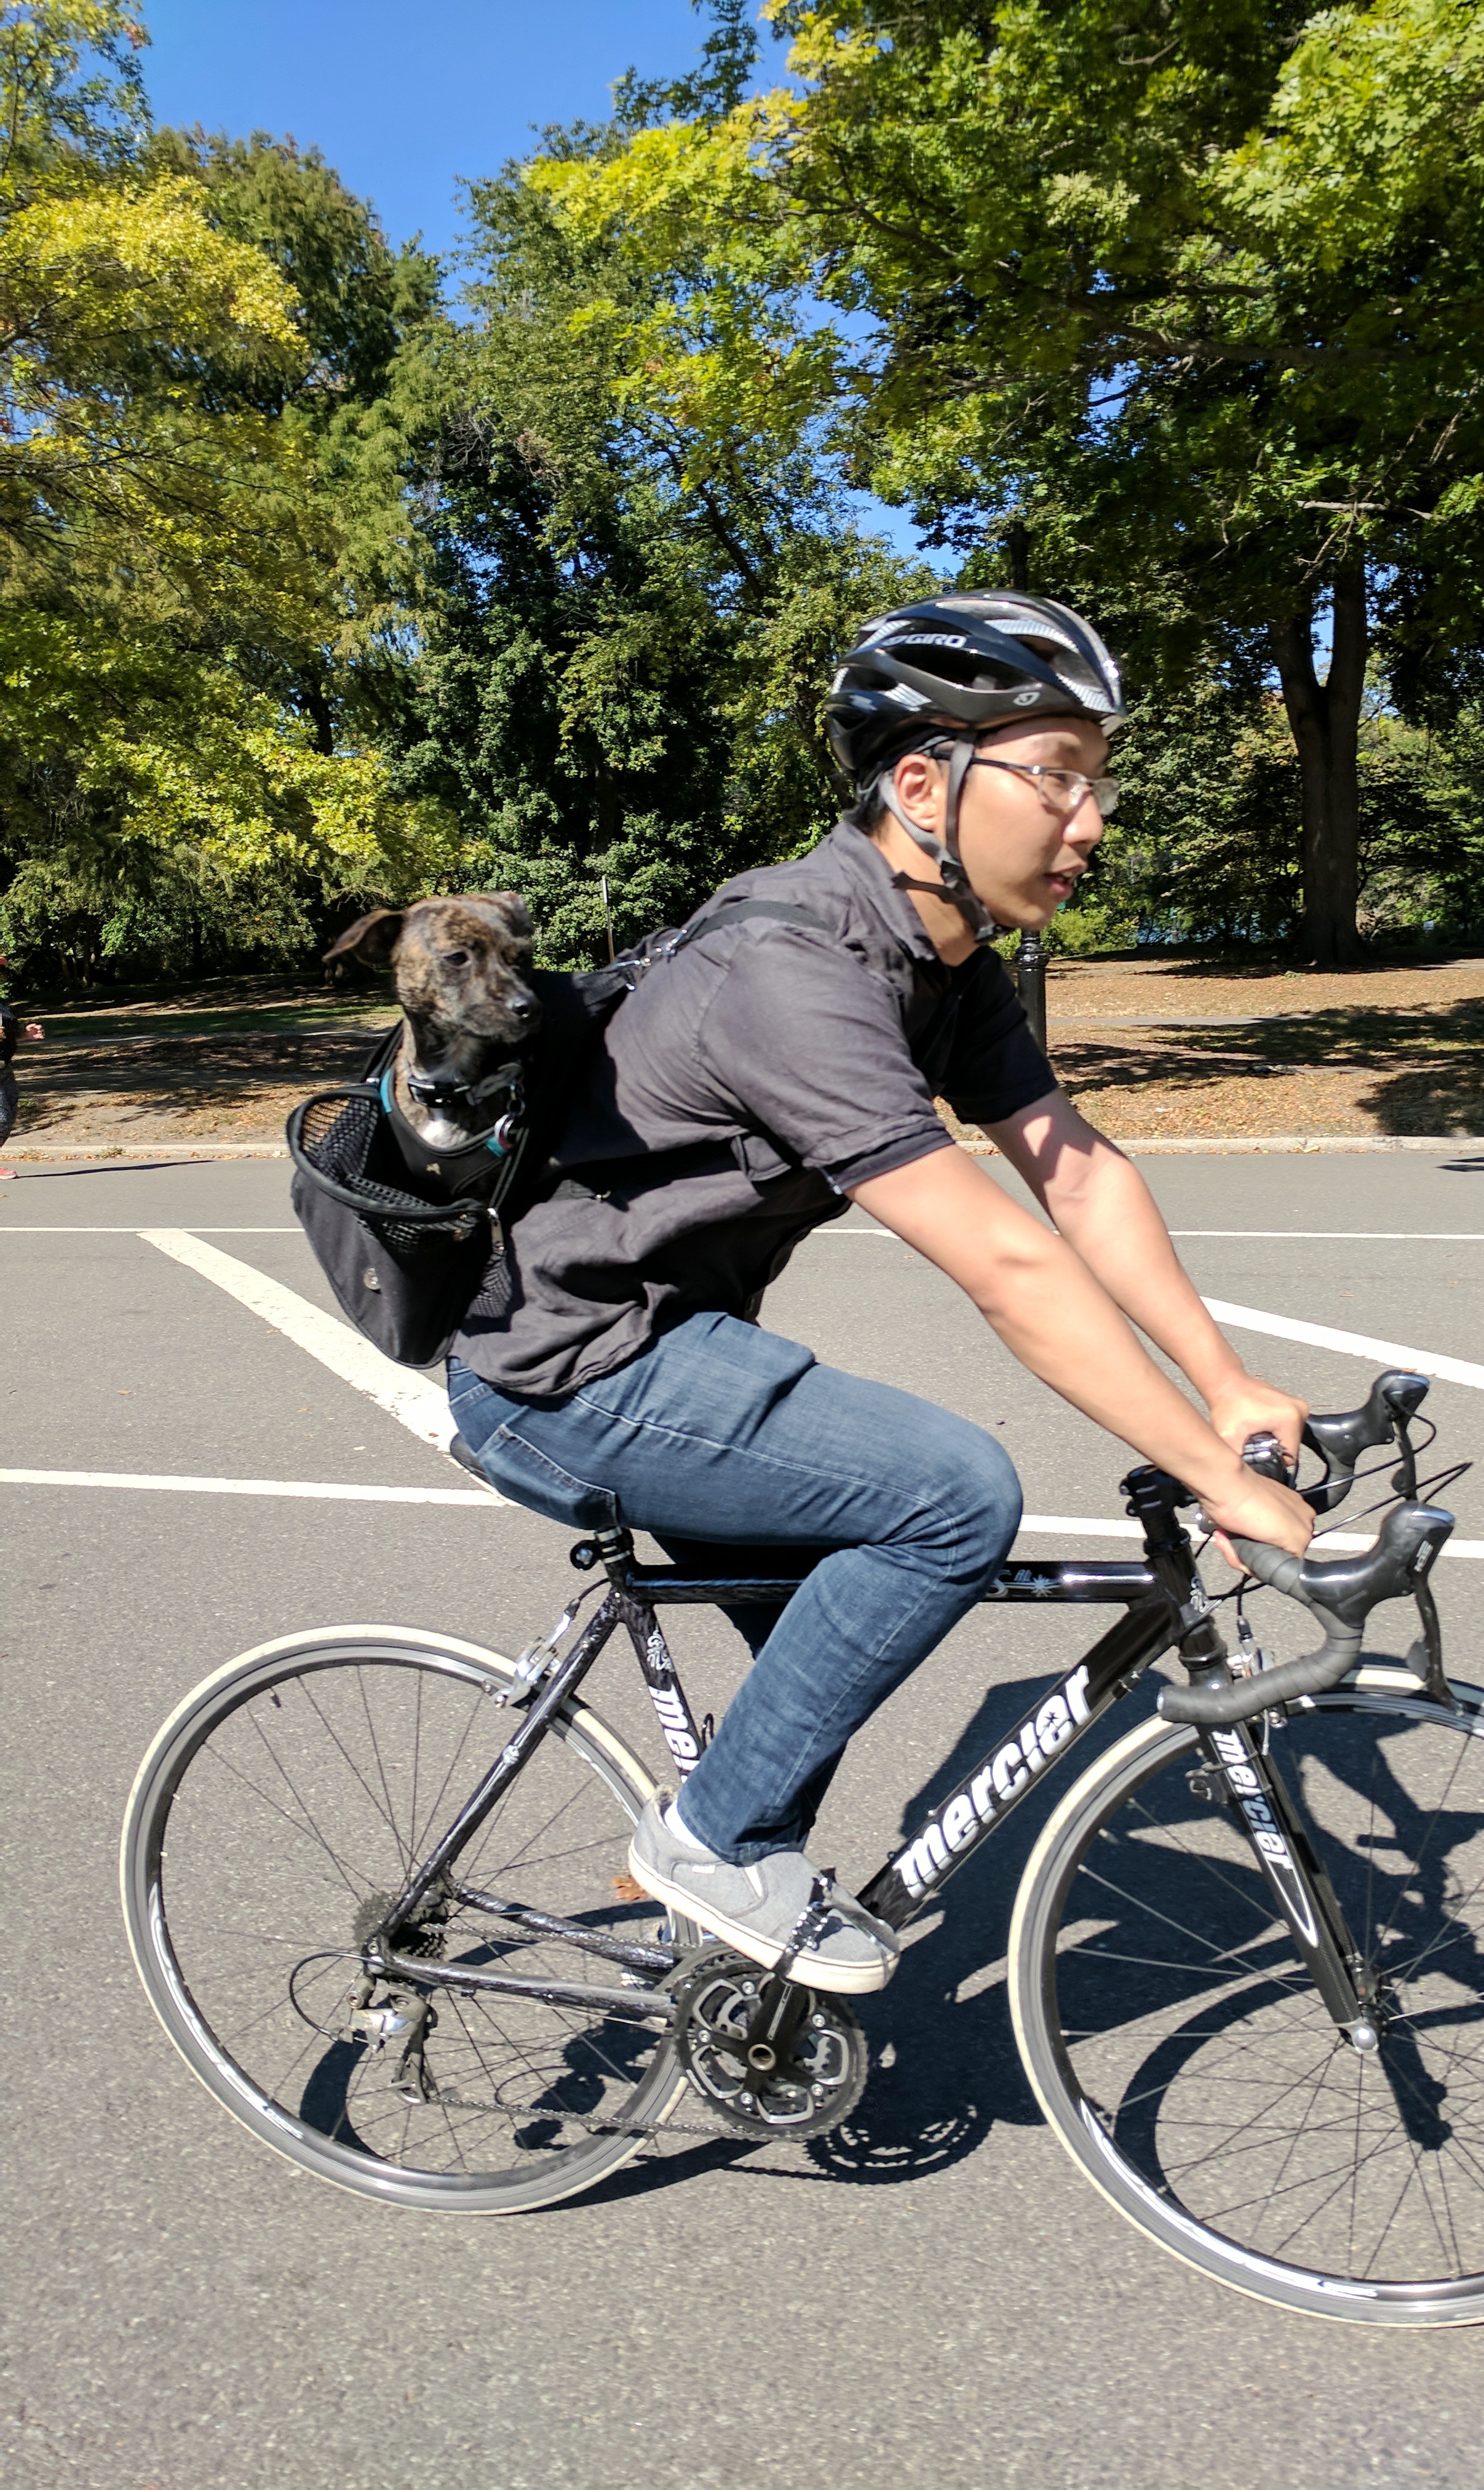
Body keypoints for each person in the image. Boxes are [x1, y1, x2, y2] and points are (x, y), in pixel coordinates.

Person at [447, 593, 1315, 1992]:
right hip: (561, 1366)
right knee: (947, 1495)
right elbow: (1002, 1260)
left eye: (1100, 781)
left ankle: (719, 1915)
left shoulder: (947, 962)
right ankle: (715, 1847)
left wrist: (1221, 1383)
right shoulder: (791, 961)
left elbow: (1072, 1176)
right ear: (921, 784)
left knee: (826, 1646)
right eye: (1057, 776)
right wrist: (1212, 1468)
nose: (1089, 819)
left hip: (669, 1344)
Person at [0, 957, 46, 1176]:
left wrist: (26, 1035)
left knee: (7, 1117)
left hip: (4, 1068)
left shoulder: (0, 1003)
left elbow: (6, 1035)